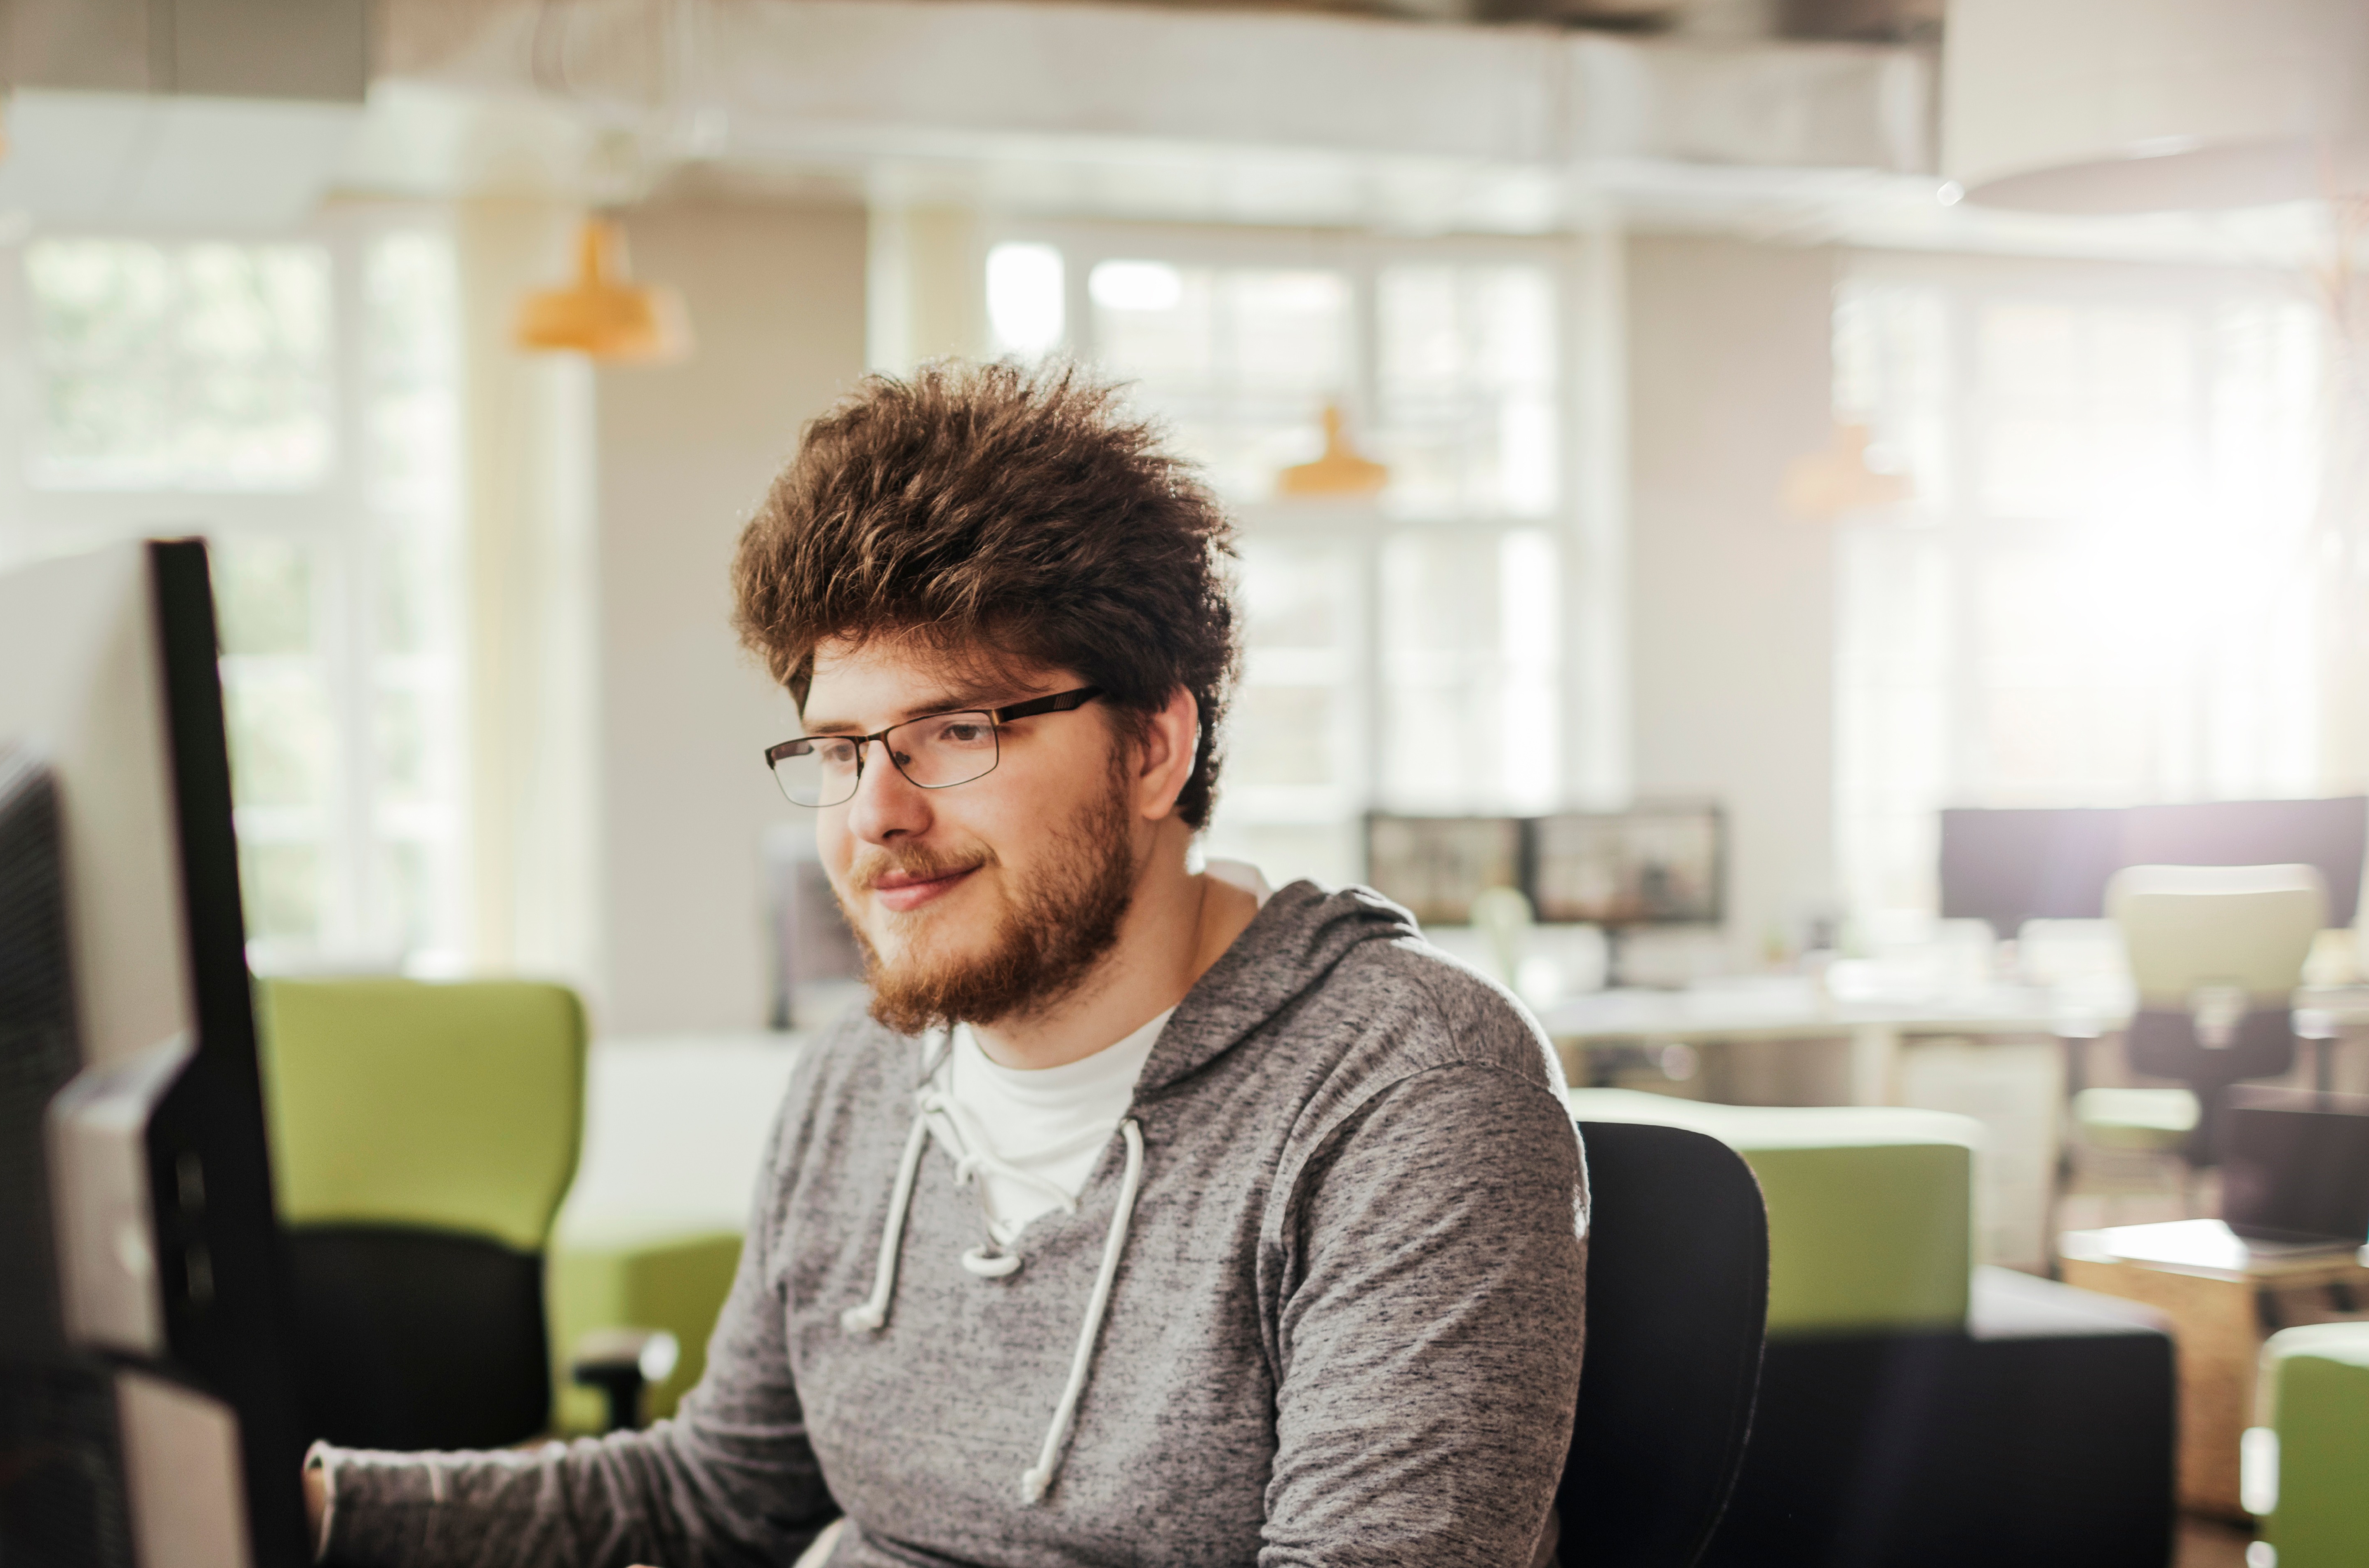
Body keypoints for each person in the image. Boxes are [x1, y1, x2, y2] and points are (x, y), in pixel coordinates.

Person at [306, 360, 1587, 1567]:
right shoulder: (862, 1077)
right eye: (843, 749)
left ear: (1152, 748)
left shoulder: (1408, 1090)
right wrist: (304, 1512)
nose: (874, 813)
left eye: (953, 730)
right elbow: (713, 1494)